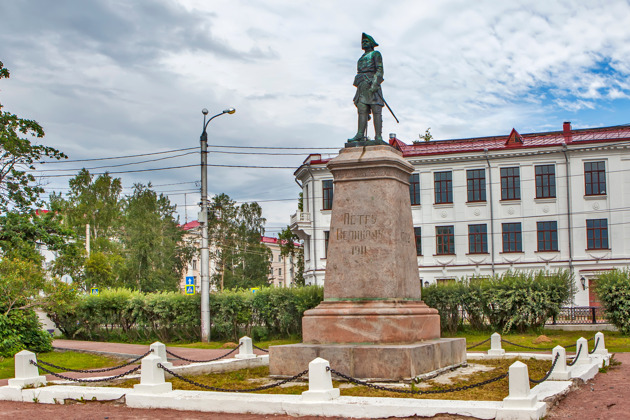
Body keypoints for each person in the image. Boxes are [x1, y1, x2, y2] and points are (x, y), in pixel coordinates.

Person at [348, 33, 384, 142]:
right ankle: (360, 134)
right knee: (362, 109)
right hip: (362, 85)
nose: (364, 43)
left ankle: (378, 136)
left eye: (366, 41)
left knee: (376, 110)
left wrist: (375, 84)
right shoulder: (361, 58)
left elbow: (379, 70)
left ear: (372, 44)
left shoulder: (375, 54)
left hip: (371, 84)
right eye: (363, 42)